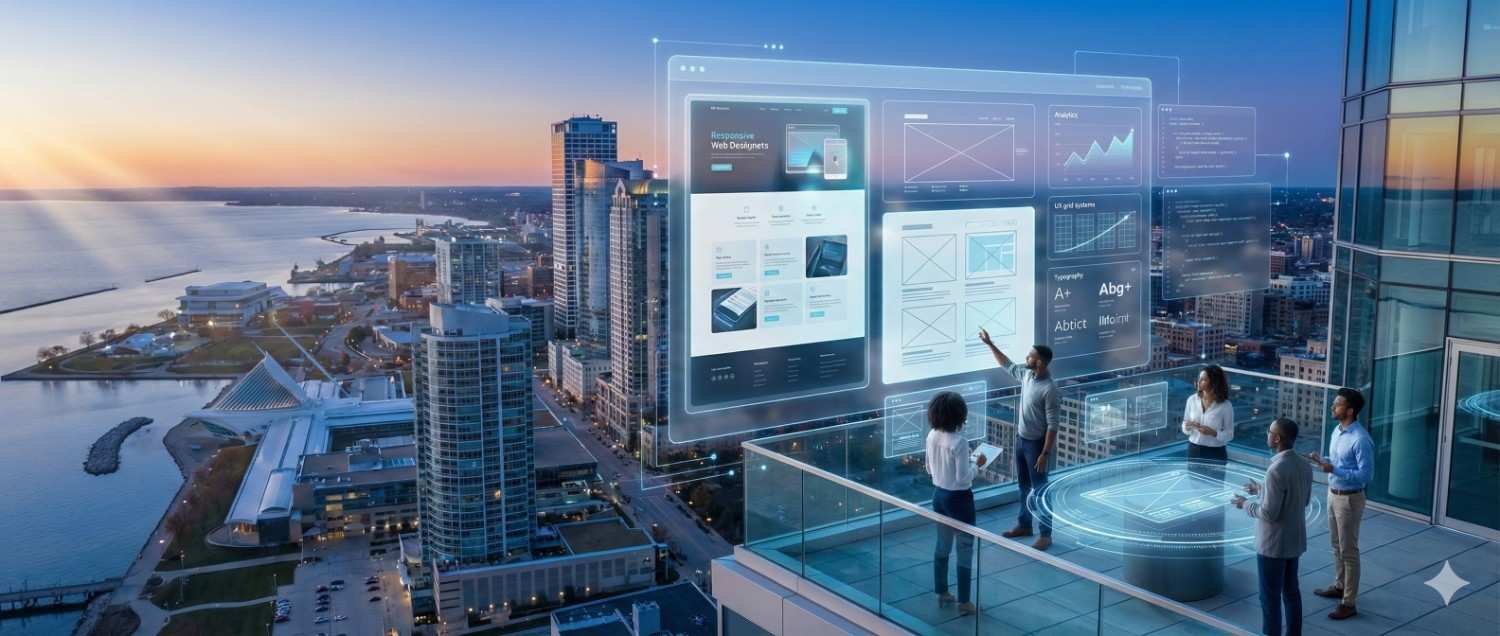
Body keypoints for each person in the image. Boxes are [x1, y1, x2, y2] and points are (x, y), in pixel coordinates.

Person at [978, 329, 1059, 551]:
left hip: (1036, 445)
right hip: (1021, 440)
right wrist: (990, 343)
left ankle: (1046, 534)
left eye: (1030, 356)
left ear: (1040, 362)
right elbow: (1007, 364)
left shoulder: (1050, 389)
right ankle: (1024, 525)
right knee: (1024, 487)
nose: (1026, 359)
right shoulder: (1027, 374)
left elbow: (1053, 426)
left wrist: (1044, 454)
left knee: (1040, 489)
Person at [1233, 418, 1312, 636]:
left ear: (1277, 438)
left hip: (1273, 546)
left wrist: (1245, 504)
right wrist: (1261, 490)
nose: (1267, 434)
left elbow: (1268, 513)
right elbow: (1299, 500)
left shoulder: (1275, 469)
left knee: (1269, 598)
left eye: (1270, 431)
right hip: (1294, 542)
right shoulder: (1303, 464)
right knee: (1291, 593)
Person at [1307, 387, 1372, 621]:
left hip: (1350, 499)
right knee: (1336, 546)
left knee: (1349, 551)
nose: (1333, 407)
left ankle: (1349, 603)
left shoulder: (1360, 439)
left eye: (1338, 404)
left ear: (1351, 410)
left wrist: (1333, 468)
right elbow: (1338, 464)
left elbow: (1366, 476)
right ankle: (1340, 586)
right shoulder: (1337, 431)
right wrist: (1323, 462)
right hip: (1333, 494)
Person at [925, 391, 989, 616]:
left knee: (942, 547)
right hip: (960, 501)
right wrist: (979, 464)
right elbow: (963, 479)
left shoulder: (932, 435)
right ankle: (964, 602)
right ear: (959, 416)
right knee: (965, 550)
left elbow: (929, 469)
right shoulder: (960, 443)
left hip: (939, 497)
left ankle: (942, 592)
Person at [1183, 364, 1234, 479]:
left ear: (1214, 383)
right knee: (1193, 486)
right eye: (1199, 378)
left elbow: (1230, 435)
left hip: (1215, 453)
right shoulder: (1191, 400)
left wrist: (1214, 433)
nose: (1198, 381)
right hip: (1194, 450)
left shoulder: (1225, 406)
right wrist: (1187, 426)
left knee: (1213, 489)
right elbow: (1184, 425)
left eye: (1204, 379)